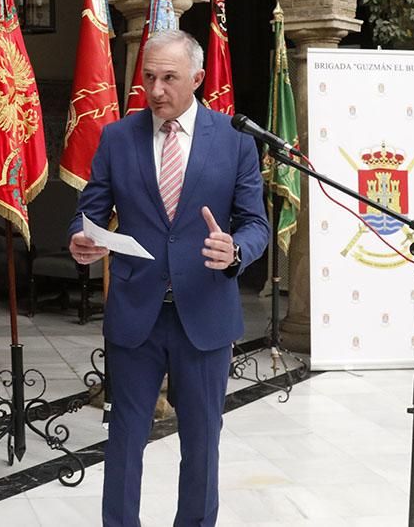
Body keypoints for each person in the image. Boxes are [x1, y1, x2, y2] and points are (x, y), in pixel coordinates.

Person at [69, 30, 269, 526]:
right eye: (149, 77)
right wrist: (81, 238)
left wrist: (236, 250)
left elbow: (255, 224)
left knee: (202, 444)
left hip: (205, 316)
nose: (156, 90)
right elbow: (89, 211)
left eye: (169, 78)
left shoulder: (236, 140)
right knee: (124, 441)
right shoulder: (118, 137)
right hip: (135, 314)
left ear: (198, 79)